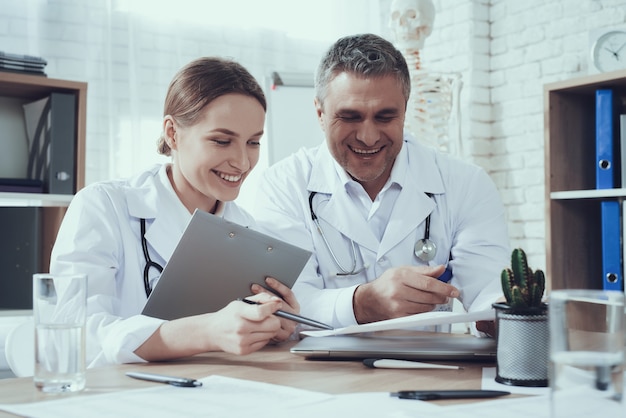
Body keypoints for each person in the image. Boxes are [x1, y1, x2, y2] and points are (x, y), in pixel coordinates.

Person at [50, 57, 299, 367]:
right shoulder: (102, 207)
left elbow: (237, 343)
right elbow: (79, 334)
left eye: (253, 142)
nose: (243, 162)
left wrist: (274, 328)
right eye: (222, 141)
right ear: (172, 133)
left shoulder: (248, 229)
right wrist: (205, 332)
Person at [253, 34, 510, 335]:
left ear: (404, 110)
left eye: (385, 117)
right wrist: (362, 303)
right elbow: (286, 306)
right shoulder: (284, 184)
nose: (369, 137)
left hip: (429, 369)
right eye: (350, 117)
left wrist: (506, 312)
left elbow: (487, 289)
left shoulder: (466, 184)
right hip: (322, 372)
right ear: (320, 113)